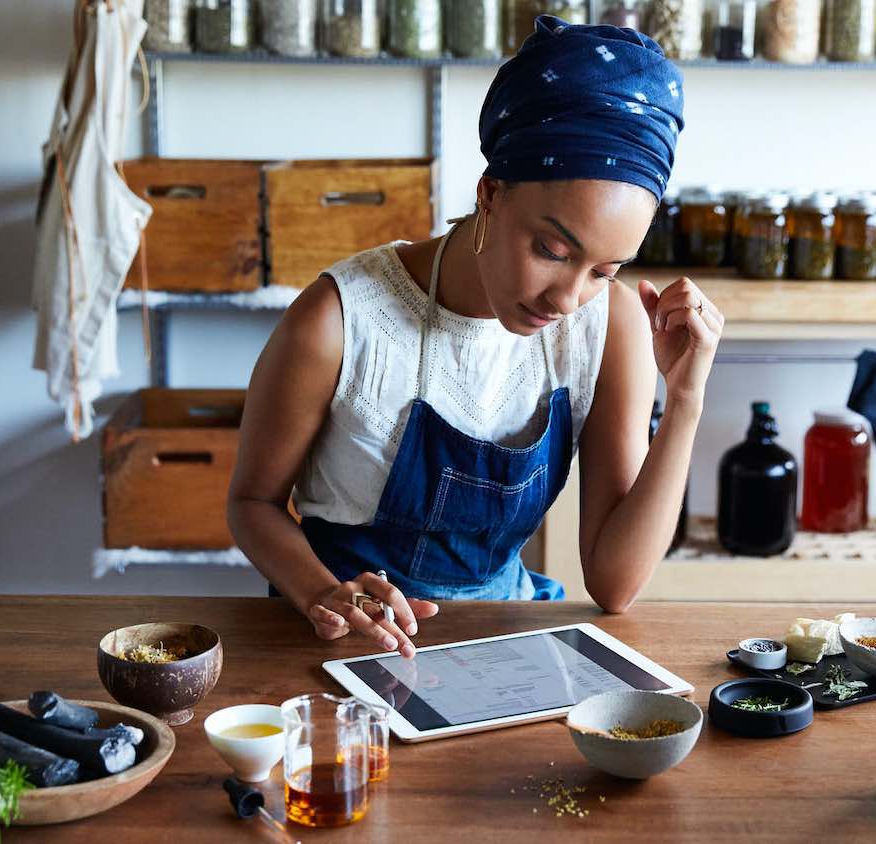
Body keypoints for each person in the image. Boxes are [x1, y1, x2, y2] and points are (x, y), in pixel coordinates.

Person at [227, 17, 721, 658]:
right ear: (489, 194)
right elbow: (252, 503)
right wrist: (323, 593)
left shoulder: (612, 325)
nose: (567, 298)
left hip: (501, 645)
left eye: (605, 270)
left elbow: (615, 584)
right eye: (551, 249)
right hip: (339, 645)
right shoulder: (340, 318)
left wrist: (684, 401)